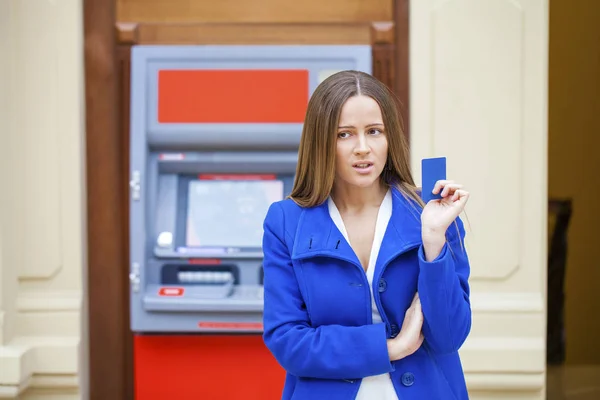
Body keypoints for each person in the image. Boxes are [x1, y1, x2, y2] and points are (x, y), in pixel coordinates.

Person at [261, 70, 471, 400]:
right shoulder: (285, 221)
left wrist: (433, 242)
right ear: (322, 142)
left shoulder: (432, 214)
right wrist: (391, 348)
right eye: (345, 134)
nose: (362, 148)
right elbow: (288, 341)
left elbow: (449, 336)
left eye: (374, 131)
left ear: (390, 139)